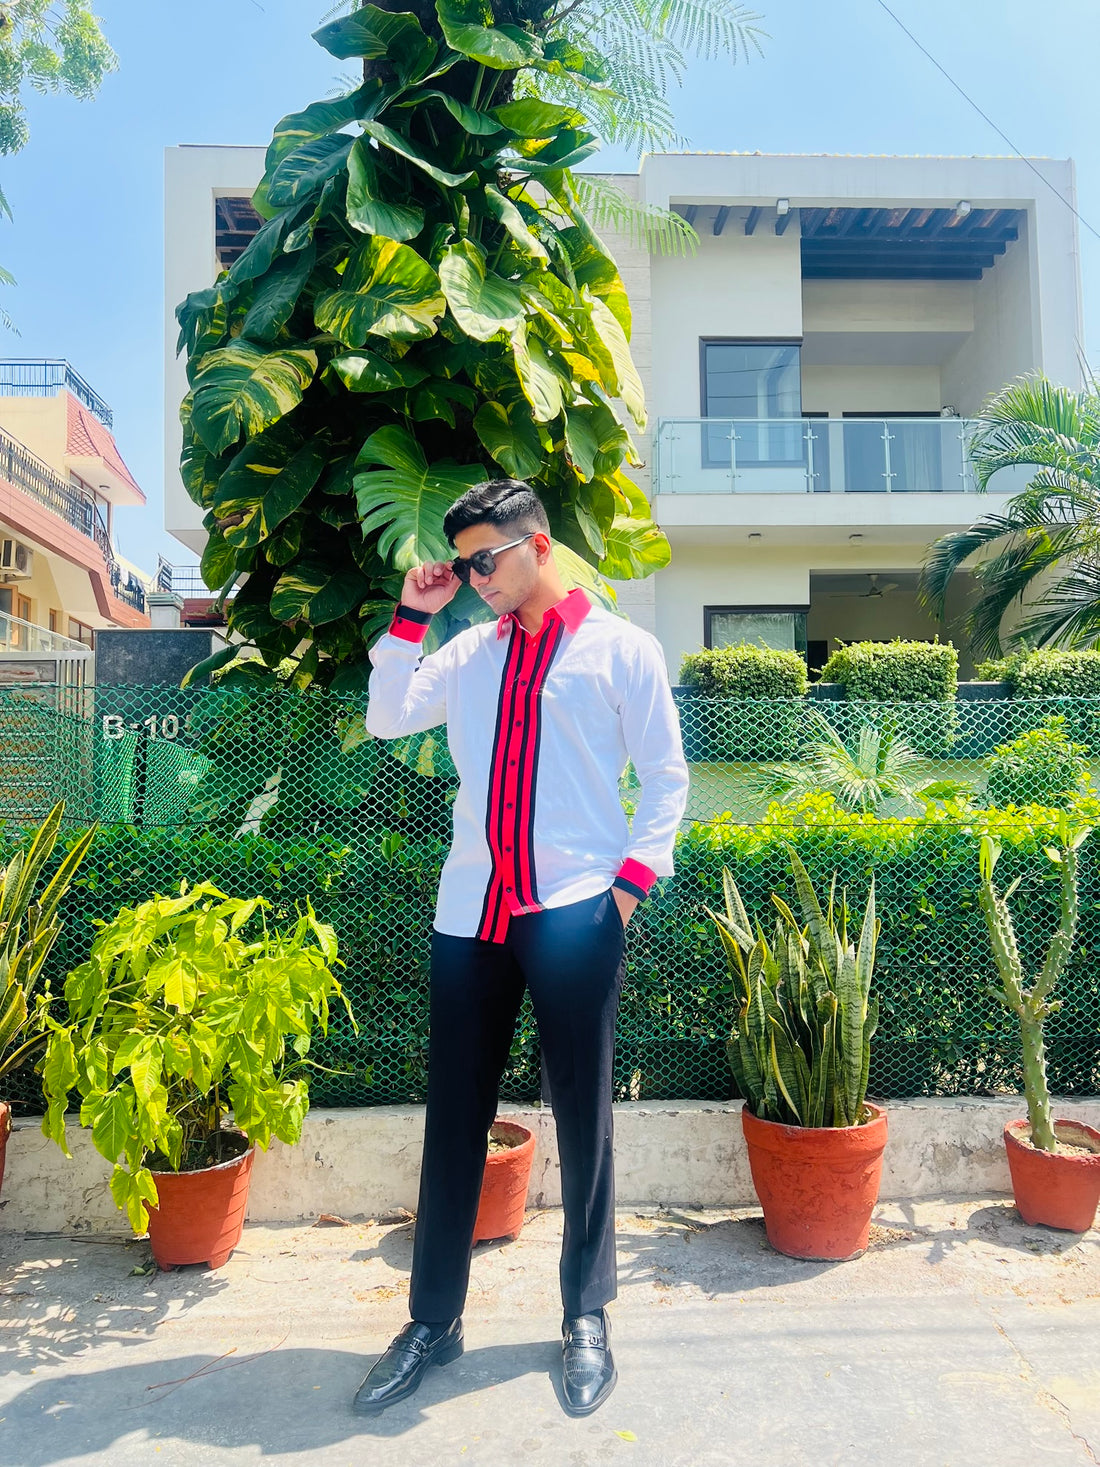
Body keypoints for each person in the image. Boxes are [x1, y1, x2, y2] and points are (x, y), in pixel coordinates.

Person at [354, 478, 688, 1418]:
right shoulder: (469, 651)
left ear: (537, 545)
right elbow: (388, 715)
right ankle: (433, 1320)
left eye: (486, 559)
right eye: (463, 564)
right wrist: (411, 617)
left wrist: (626, 892)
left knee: (584, 1117)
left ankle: (586, 1314)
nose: (474, 577)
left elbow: (666, 777)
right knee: (453, 1119)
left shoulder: (622, 649)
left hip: (577, 911)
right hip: (471, 913)